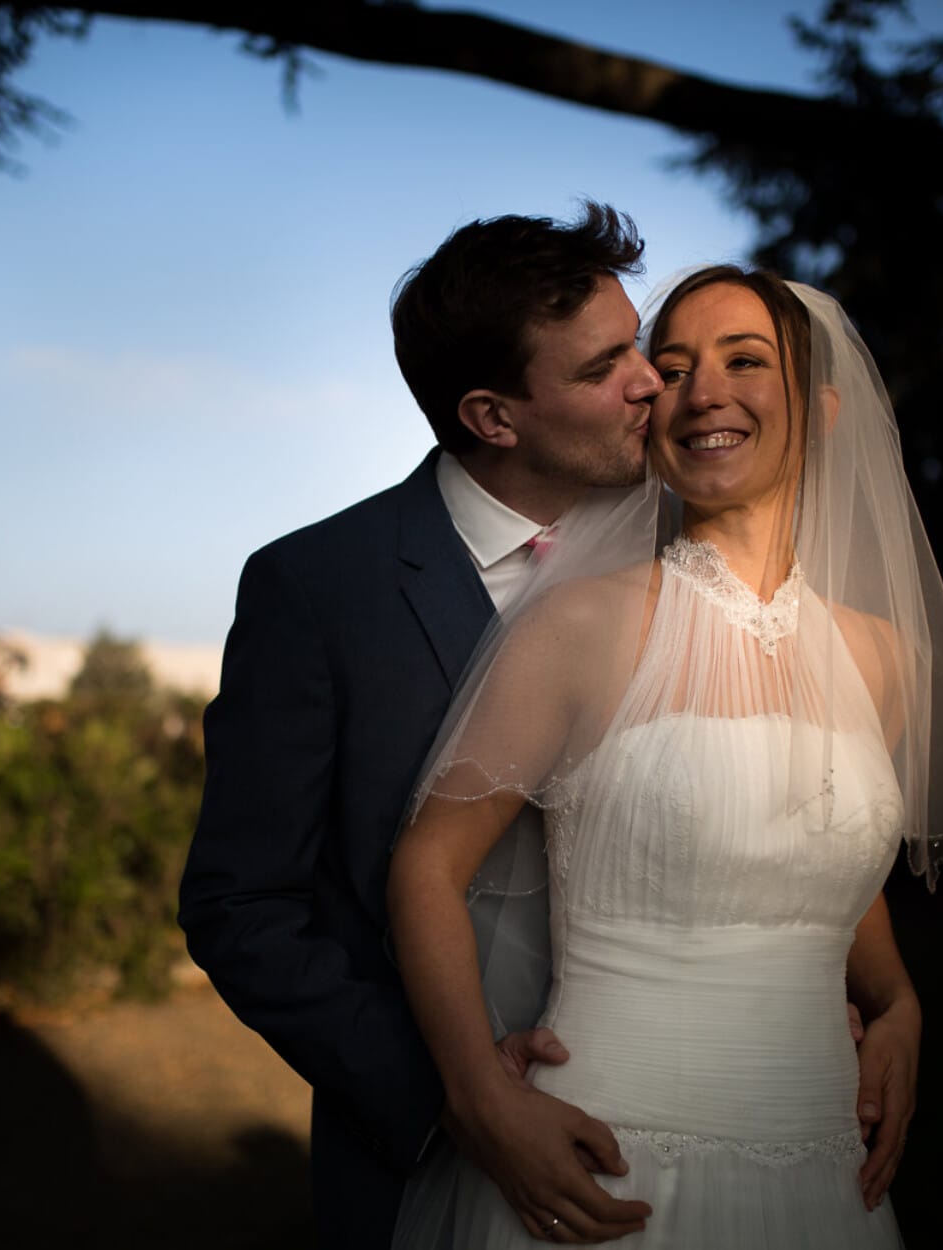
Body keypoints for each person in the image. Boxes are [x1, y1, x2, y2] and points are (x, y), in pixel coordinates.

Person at [388, 266, 943, 1247]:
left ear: (822, 406)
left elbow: (824, 864)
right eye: (672, 367)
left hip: (823, 1181)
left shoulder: (883, 658)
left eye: (745, 360)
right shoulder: (580, 624)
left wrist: (895, 1001)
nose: (704, 392)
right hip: (603, 1164)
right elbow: (428, 863)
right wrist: (479, 1094)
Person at [181, 204, 667, 1249]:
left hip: (688, 1121)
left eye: (636, 338)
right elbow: (243, 905)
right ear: (493, 417)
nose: (650, 380)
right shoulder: (317, 589)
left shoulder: (687, 560)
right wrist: (456, 1096)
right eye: (600, 367)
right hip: (425, 1170)